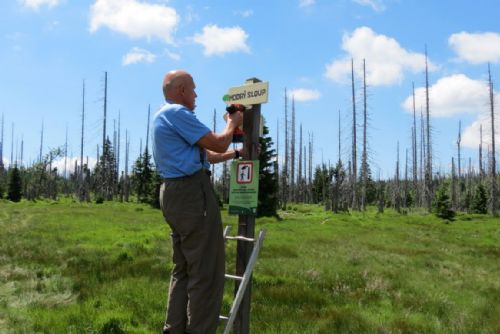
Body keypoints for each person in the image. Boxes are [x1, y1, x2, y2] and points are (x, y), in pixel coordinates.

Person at [152, 70, 244, 334]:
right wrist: (233, 122)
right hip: (192, 193)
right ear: (180, 90)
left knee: (183, 269)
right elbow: (216, 143)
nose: (196, 94)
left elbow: (208, 155)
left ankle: (174, 329)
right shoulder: (177, 114)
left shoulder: (164, 116)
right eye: (193, 89)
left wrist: (237, 153)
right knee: (206, 272)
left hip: (173, 195)